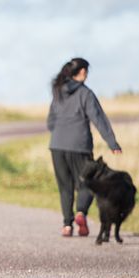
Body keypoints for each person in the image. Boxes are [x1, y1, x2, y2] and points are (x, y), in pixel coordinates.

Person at [46, 58, 121, 237]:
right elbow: (98, 118)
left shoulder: (58, 92)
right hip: (79, 145)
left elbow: (51, 120)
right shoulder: (85, 93)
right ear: (82, 72)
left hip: (57, 145)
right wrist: (112, 143)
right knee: (88, 182)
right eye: (86, 71)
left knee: (65, 186)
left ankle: (67, 225)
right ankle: (80, 213)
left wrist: (58, 133)